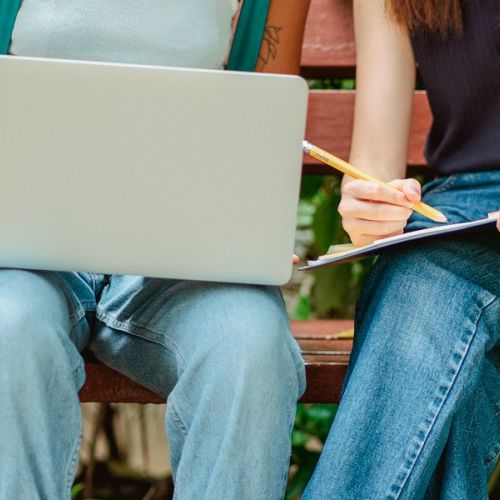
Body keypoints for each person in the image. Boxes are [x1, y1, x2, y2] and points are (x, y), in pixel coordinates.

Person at [0, 1, 311, 498]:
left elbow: (266, 134)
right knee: (7, 328)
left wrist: (255, 224)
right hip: (24, 259)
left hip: (181, 269)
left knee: (249, 343)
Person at [303, 0, 500, 498]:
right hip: (462, 218)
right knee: (425, 290)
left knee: (424, 281)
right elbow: (374, 167)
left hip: (445, 256)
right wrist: (366, 209)